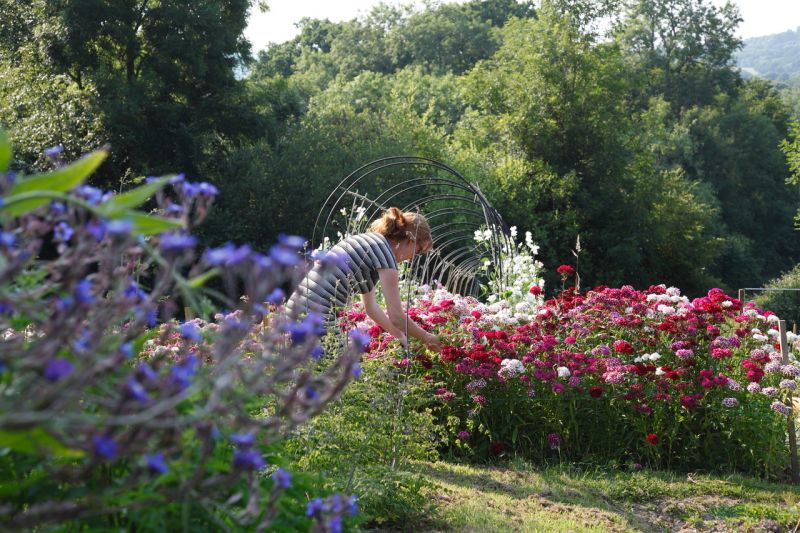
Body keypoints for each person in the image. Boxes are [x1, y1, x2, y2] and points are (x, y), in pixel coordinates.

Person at [285, 207, 442, 352]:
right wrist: (428, 338)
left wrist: (399, 335)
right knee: (340, 373)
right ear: (410, 240)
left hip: (294, 310)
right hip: (318, 320)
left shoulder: (371, 242)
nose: (413, 257)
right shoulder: (386, 255)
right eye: (419, 251)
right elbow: (397, 317)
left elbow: (371, 307)